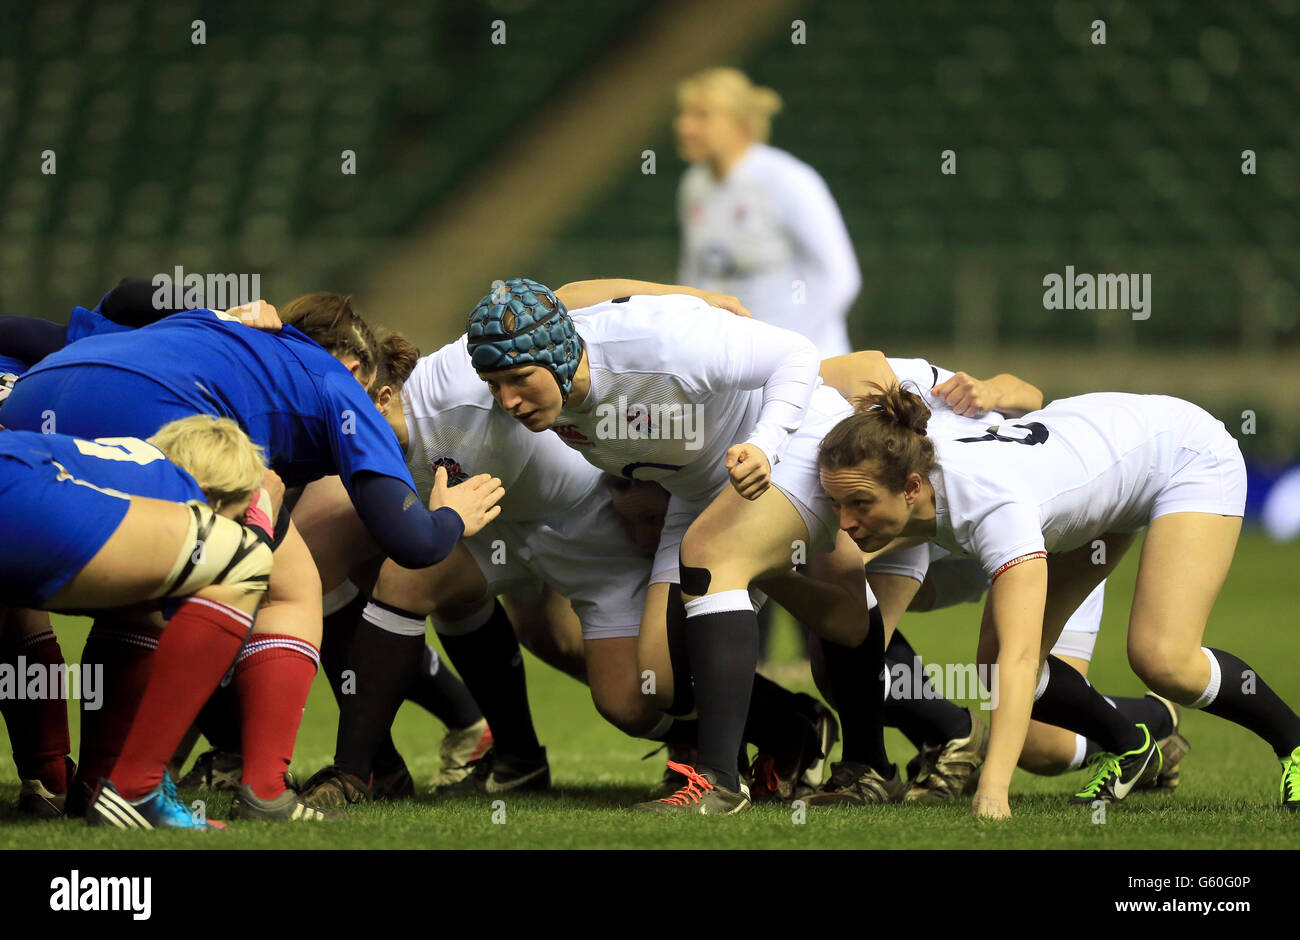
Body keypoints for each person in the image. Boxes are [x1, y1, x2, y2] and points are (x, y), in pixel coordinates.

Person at [0, 291, 504, 816]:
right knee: (290, 585)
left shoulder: (205, 325)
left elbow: (124, 293)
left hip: (30, 409)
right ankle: (259, 790)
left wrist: (230, 302)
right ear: (357, 365)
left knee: (138, 590)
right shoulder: (338, 382)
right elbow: (413, 542)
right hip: (160, 421)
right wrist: (451, 517)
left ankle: (64, 779)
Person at [468, 278, 877, 814]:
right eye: (494, 384)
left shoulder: (661, 344)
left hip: (783, 447)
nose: (509, 400)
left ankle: (720, 783)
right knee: (656, 683)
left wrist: (764, 444)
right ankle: (802, 730)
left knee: (715, 557)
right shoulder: (543, 357)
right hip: (696, 489)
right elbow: (565, 294)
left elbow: (796, 355)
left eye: (519, 380)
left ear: (561, 353)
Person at [817, 384, 1300, 818]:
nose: (846, 522)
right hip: (1104, 467)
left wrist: (993, 791)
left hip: (1183, 453)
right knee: (989, 666)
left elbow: (1023, 657)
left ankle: (1295, 744)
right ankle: (1131, 746)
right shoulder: (908, 458)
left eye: (859, 504)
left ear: (913, 488)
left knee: (1163, 658)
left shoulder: (992, 506)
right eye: (837, 505)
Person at [0, 417, 278, 828]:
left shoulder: (116, 463)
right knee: (243, 560)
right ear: (216, 498)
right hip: (18, 490)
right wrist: (258, 526)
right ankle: (136, 790)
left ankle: (88, 783)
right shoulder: (177, 486)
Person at [676, 67, 860, 358]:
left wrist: (790, 348)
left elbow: (840, 277)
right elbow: (695, 275)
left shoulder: (787, 179)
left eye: (702, 116)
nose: (685, 127)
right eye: (684, 115)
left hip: (807, 363)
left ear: (740, 125)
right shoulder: (694, 185)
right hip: (733, 364)